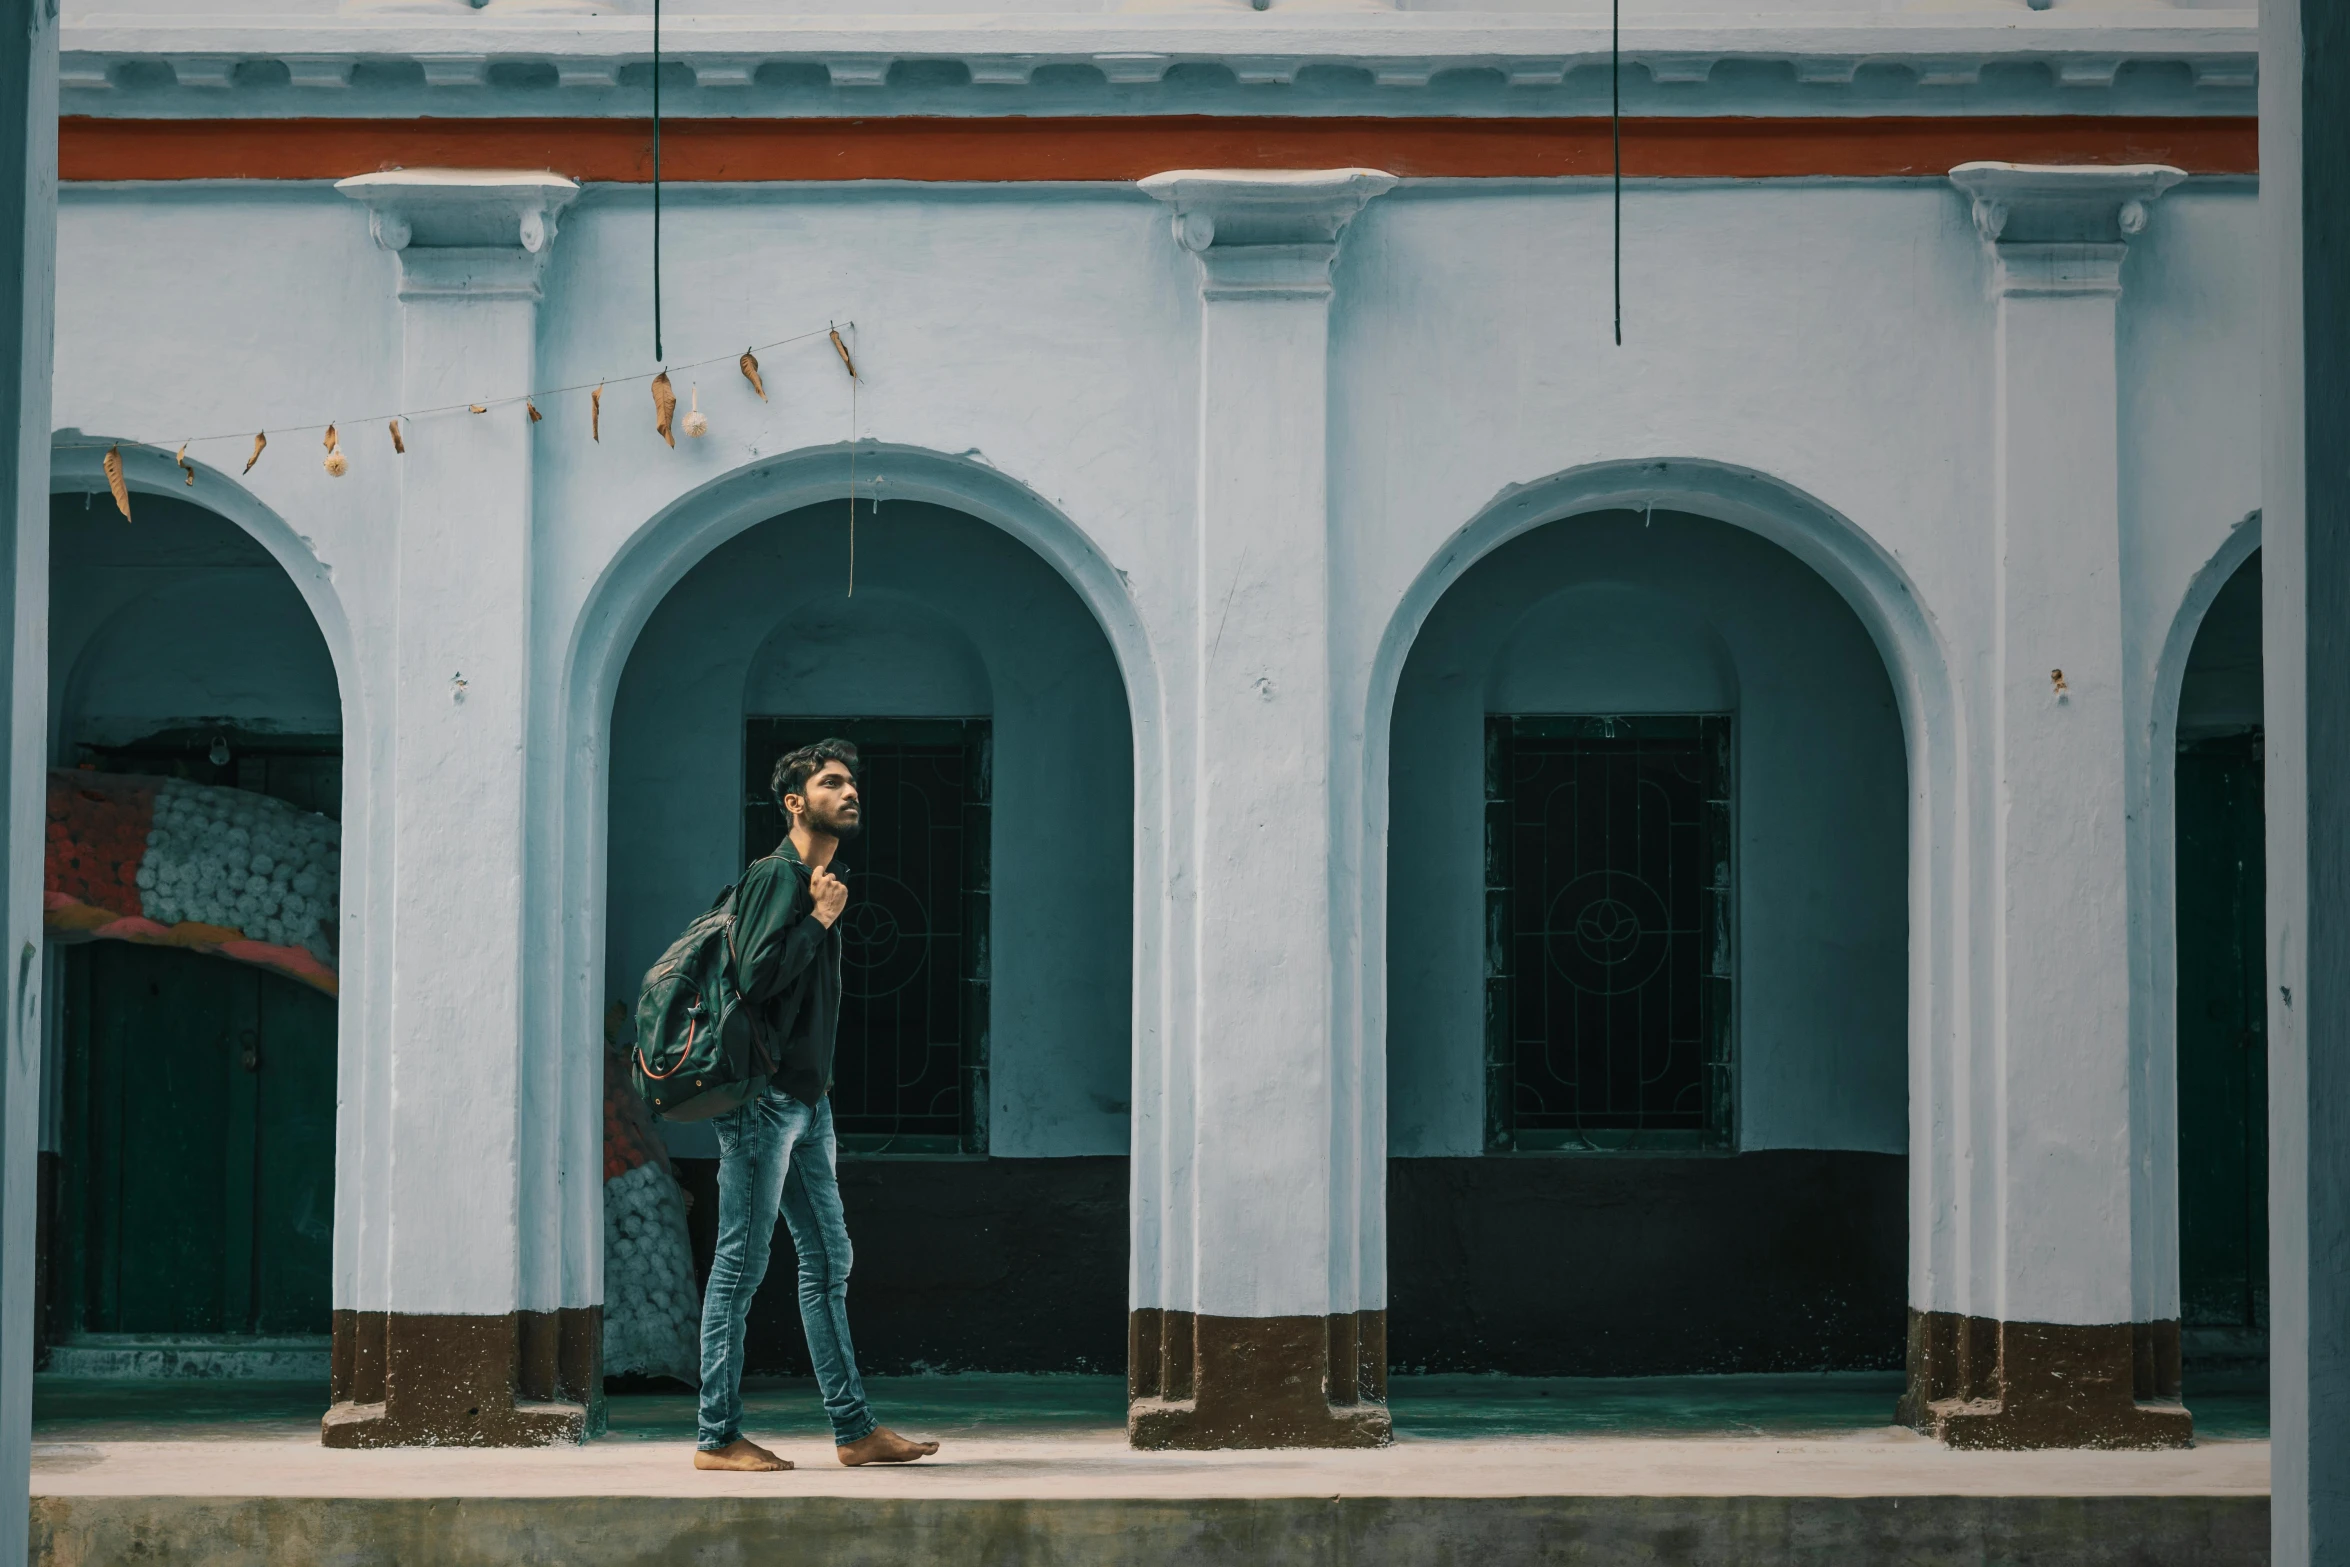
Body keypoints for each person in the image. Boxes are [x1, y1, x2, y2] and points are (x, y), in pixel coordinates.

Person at [693, 738, 941, 1472]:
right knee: (740, 1266)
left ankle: (854, 1430)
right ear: (796, 801)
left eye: (852, 781)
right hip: (763, 1106)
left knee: (828, 1257)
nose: (850, 789)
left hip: (806, 1104)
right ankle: (715, 1436)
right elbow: (757, 977)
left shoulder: (819, 878)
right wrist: (821, 920)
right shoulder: (778, 876)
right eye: (832, 782)